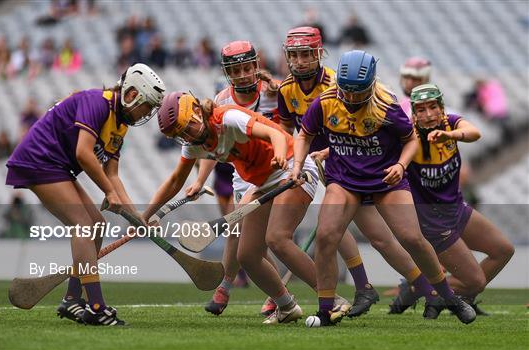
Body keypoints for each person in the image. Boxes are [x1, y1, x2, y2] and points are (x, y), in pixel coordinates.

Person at [291, 50, 477, 326]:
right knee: (327, 237)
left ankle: (448, 296)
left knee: (411, 238)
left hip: (385, 180)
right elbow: (305, 134)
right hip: (344, 180)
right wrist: (297, 165)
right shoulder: (326, 102)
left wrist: (401, 166)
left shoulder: (386, 105)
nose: (352, 98)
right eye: (348, 92)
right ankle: (325, 310)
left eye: (359, 92)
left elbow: (411, 140)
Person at [279, 27, 434, 318]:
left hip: (351, 166)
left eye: (305, 54)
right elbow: (289, 130)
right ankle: (377, 287)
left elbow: (360, 125)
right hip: (324, 166)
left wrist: (329, 152)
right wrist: (294, 164)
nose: (299, 61)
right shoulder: (286, 88)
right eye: (294, 55)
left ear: (318, 54)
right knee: (332, 232)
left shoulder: (339, 81)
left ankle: (422, 288)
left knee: (378, 237)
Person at [5, 63, 166, 326]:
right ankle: (96, 306)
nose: (145, 114)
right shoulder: (97, 102)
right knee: (82, 225)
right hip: (38, 160)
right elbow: (83, 152)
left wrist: (137, 218)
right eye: (146, 106)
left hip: (59, 167)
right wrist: (108, 191)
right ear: (131, 94)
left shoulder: (119, 125)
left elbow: (112, 176)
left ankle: (71, 298)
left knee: (97, 225)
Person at [146, 91, 321, 325]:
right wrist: (144, 216)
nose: (186, 136)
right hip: (262, 182)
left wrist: (279, 156)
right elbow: (175, 180)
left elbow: (275, 134)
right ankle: (287, 306)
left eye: (187, 128)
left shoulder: (227, 118)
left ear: (198, 111)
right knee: (247, 255)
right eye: (180, 134)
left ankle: (330, 299)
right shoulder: (195, 143)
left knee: (277, 238)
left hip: (291, 167)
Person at [389, 84, 514, 317]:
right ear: (414, 114)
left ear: (441, 108)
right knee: (476, 281)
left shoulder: (451, 123)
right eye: (421, 110)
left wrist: (450, 135)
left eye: (433, 107)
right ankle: (422, 289)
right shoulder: (409, 137)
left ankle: (449, 298)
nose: (428, 114)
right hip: (433, 222)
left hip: (456, 209)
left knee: (503, 250)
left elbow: (474, 133)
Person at [185, 41, 285, 317]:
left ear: (255, 66)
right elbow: (210, 148)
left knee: (252, 238)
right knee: (244, 237)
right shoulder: (221, 101)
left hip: (278, 170)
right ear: (228, 72)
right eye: (235, 70)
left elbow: (291, 128)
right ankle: (272, 294)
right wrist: (198, 180)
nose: (241, 74)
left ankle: (225, 287)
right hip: (244, 176)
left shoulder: (274, 93)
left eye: (246, 68)